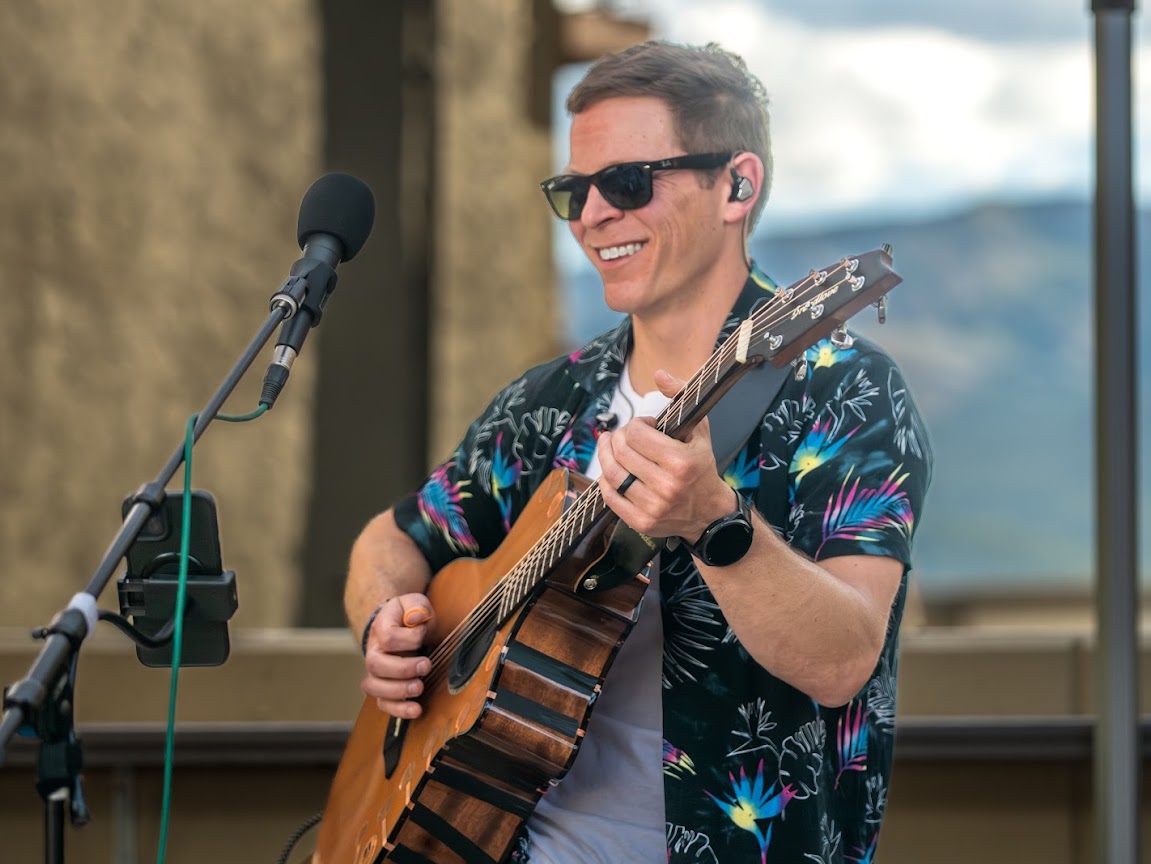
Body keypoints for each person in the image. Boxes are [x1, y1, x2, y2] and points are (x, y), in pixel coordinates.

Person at [344, 40, 931, 864]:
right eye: (572, 191)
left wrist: (715, 523)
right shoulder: (552, 402)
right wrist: (387, 619)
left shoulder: (842, 395)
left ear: (738, 185)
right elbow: (393, 537)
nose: (591, 216)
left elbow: (842, 662)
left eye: (626, 183)